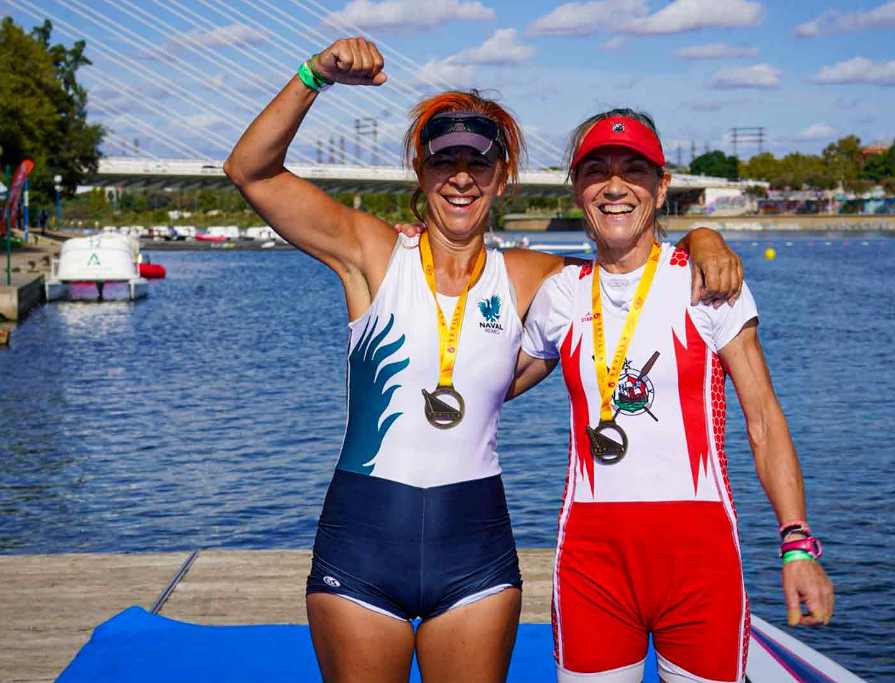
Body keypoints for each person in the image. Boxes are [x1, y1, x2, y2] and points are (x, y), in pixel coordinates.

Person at [224, 38, 743, 683]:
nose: (462, 177)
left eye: (479, 162)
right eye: (446, 163)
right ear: (422, 173)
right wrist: (315, 76)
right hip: (363, 540)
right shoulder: (372, 253)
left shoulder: (535, 278)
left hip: (474, 554)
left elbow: (629, 258)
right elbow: (250, 170)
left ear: (502, 178)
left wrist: (702, 235)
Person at [511, 109, 835, 683]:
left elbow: (762, 420)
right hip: (592, 564)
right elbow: (489, 387)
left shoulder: (709, 283)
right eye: (596, 172)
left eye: (633, 170)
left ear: (661, 189)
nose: (614, 186)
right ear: (578, 190)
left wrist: (796, 545)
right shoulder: (560, 295)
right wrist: (425, 257)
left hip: (700, 565)